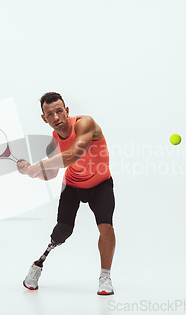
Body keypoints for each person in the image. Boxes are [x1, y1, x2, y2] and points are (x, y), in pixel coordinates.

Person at [16, 92, 116, 295]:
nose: (56, 117)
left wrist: (37, 166)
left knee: (106, 227)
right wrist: (30, 172)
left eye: (59, 111)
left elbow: (72, 155)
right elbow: (50, 174)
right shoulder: (53, 144)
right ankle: (39, 263)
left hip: (101, 183)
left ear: (67, 110)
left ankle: (105, 276)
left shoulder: (85, 123)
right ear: (44, 119)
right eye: (50, 114)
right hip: (72, 185)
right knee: (63, 230)